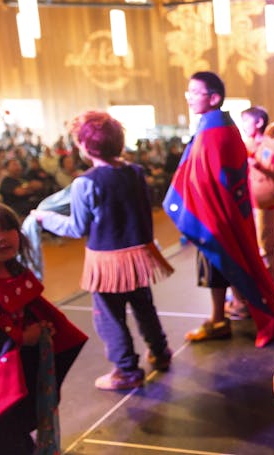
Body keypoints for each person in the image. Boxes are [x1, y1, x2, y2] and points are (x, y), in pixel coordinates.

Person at [33, 111, 173, 390]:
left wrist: (44, 217)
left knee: (109, 316)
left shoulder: (85, 182)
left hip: (107, 261)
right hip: (139, 256)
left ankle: (126, 370)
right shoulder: (136, 172)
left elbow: (76, 227)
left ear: (85, 146)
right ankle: (160, 352)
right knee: (144, 306)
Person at [164, 71, 274, 347]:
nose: (190, 97)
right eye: (189, 92)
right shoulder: (219, 126)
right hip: (223, 210)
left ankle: (221, 317)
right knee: (224, 262)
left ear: (214, 97)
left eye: (195, 92)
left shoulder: (214, 131)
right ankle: (227, 312)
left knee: (220, 262)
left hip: (214, 214)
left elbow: (208, 179)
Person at [0, 203, 87, 454]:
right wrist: (20, 337)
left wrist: (42, 328)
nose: (3, 238)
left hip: (21, 370)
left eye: (8, 229)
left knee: (19, 424)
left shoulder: (17, 272)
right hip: (4, 374)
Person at [230, 106, 274, 319]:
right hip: (246, 203)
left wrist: (258, 166)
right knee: (251, 247)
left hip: (266, 202)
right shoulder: (244, 145)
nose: (243, 126)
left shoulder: (271, 145)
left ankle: (270, 290)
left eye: (246, 122)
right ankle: (255, 291)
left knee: (267, 245)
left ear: (259, 122)